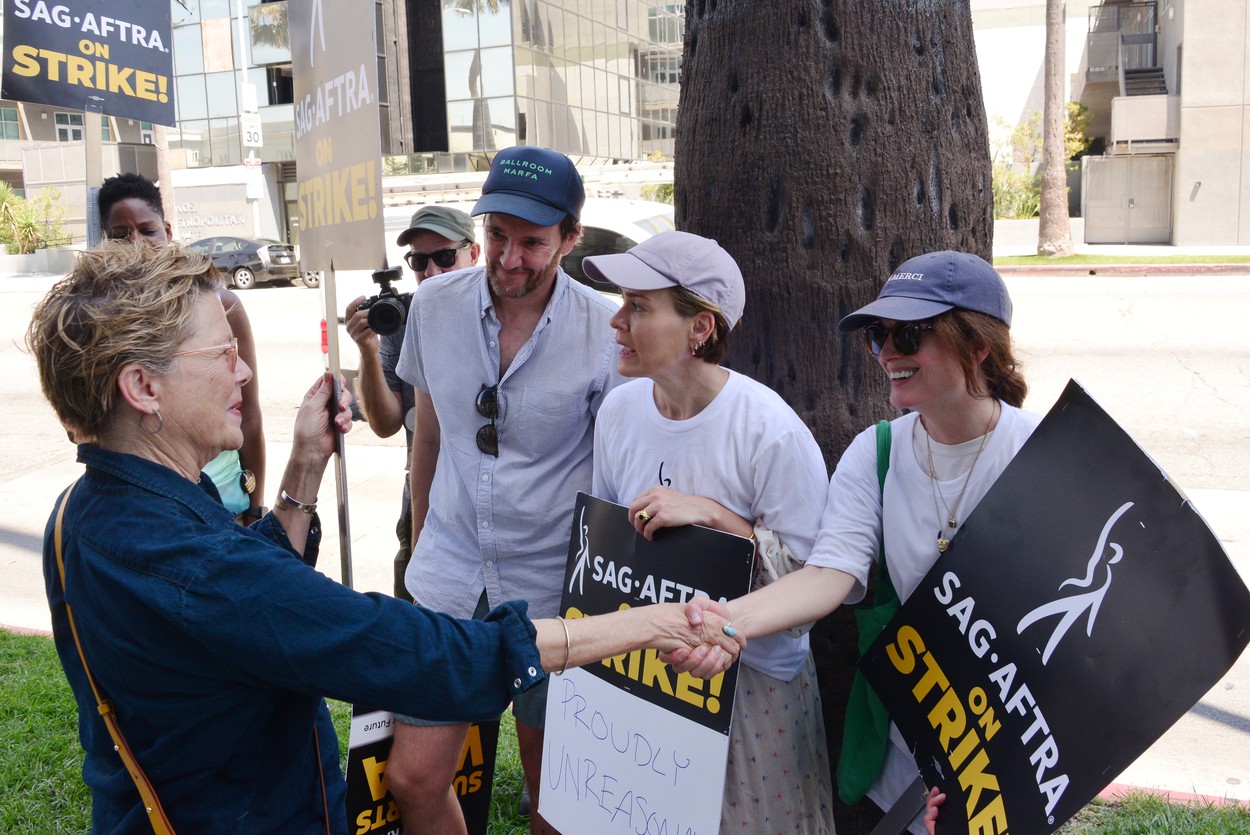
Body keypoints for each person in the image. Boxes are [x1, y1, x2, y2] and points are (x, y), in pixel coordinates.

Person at [27, 241, 743, 835]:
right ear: (143, 388)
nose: (244, 369)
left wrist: (305, 466)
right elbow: (419, 651)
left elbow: (240, 611)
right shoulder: (196, 569)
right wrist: (650, 622)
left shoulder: (81, 515)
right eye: (222, 355)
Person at [669, 250, 1038, 834]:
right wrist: (724, 623)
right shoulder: (876, 452)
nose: (888, 353)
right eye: (878, 337)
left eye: (910, 335)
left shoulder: (1040, 454)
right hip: (912, 745)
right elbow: (828, 575)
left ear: (978, 345)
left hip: (1013, 752)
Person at [390, 146, 623, 835]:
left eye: (532, 242)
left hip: (552, 587)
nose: (510, 257)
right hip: (451, 573)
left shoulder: (604, 329)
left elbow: (613, 466)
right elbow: (427, 432)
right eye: (496, 235)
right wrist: (422, 533)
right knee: (412, 776)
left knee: (554, 796)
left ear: (570, 239)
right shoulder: (433, 304)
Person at [583, 231, 837, 833]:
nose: (617, 322)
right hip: (650, 675)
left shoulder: (768, 429)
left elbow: (812, 585)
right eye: (623, 302)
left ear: (701, 328)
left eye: (640, 307)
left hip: (754, 691)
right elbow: (608, 548)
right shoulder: (618, 413)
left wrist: (716, 518)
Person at [97, 172, 267, 523]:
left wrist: (255, 505)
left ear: (168, 231)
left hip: (226, 506)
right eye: (120, 235)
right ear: (105, 240)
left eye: (148, 230)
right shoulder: (100, 321)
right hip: (145, 510)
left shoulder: (220, 304)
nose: (138, 244)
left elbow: (248, 413)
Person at [344, 206, 481, 600]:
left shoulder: (496, 316)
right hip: (423, 508)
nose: (432, 272)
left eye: (444, 257)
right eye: (420, 261)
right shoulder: (404, 319)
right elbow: (387, 424)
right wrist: (368, 350)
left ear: (474, 254)